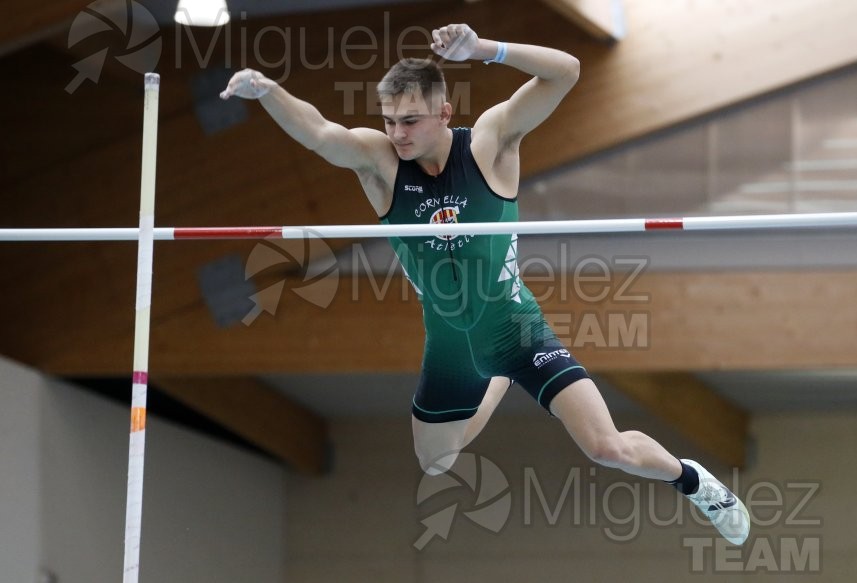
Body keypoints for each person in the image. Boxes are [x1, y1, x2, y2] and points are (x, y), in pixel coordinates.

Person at [221, 23, 750, 545]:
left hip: (519, 331)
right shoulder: (380, 164)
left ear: (444, 113)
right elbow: (318, 132)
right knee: (436, 462)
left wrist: (485, 50)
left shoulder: (489, 145)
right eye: (389, 121)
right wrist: (269, 91)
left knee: (604, 447)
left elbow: (566, 72)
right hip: (451, 346)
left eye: (409, 121)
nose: (397, 134)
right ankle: (496, 381)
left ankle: (696, 484)